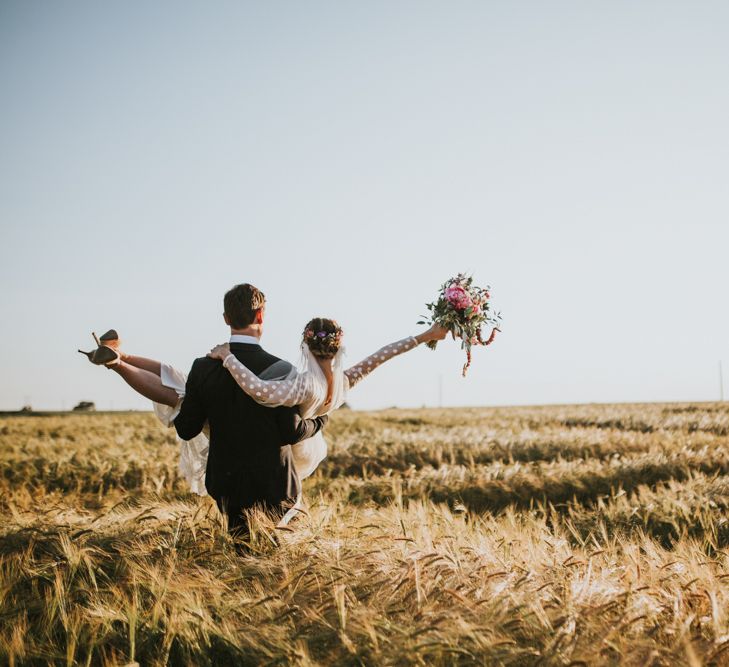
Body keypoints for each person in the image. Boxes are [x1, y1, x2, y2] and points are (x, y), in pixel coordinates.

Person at [78, 283, 329, 540]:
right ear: (261, 315)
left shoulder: (203, 367)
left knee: (181, 391)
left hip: (226, 484)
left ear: (226, 318)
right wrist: (321, 420)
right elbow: (290, 430)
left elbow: (187, 429)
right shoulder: (282, 370)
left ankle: (119, 360)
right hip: (275, 486)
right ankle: (120, 360)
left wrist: (207, 405)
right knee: (277, 562)